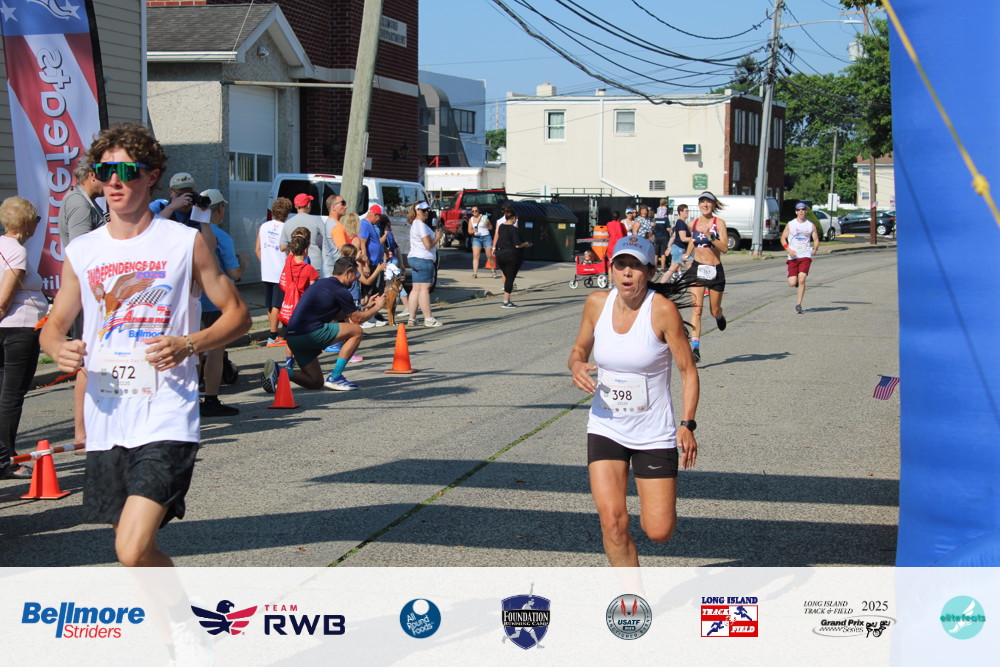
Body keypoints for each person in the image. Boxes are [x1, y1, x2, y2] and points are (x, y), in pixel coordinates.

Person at [39, 123, 251, 567]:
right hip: (108, 419)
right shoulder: (83, 251)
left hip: (166, 416)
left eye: (126, 171)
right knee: (135, 551)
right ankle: (178, 615)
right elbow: (54, 325)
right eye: (105, 171)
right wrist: (57, 347)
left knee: (131, 549)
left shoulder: (184, 242)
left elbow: (238, 315)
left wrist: (189, 343)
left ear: (151, 176)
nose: (114, 181)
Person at [568, 235, 699, 567]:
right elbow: (579, 350)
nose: (627, 273)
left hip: (653, 433)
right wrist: (577, 365)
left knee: (659, 531)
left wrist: (687, 424)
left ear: (650, 272)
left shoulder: (662, 311)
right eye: (621, 265)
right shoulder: (596, 303)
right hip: (606, 427)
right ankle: (632, 594)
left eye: (636, 266)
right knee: (612, 522)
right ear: (612, 269)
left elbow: (688, 371)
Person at [263, 256, 385, 393]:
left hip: (292, 337)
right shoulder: (340, 290)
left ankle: (278, 370)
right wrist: (377, 307)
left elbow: (337, 314)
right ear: (347, 272)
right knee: (356, 331)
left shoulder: (322, 284)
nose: (356, 278)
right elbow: (357, 319)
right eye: (355, 274)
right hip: (309, 333)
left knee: (315, 382)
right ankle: (336, 377)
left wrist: (364, 306)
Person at [58, 161, 108, 446]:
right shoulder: (79, 204)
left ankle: (92, 429)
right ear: (91, 175)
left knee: (94, 359)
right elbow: (81, 251)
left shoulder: (84, 201)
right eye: (105, 175)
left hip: (92, 293)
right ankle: (83, 433)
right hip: (88, 294)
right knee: (88, 360)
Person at [0, 197, 47, 479]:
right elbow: (4, 299)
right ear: (27, 222)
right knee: (11, 397)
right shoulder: (16, 251)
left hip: (9, 329)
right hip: (19, 329)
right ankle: (6, 460)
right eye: (37, 220)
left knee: (4, 395)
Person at [197, 189, 247, 418]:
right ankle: (211, 399)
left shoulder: (188, 231)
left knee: (193, 351)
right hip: (215, 301)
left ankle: (191, 398)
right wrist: (244, 263)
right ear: (220, 209)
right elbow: (234, 273)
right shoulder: (221, 237)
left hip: (191, 300)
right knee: (215, 352)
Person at [680, 191, 729, 362]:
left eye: (708, 202)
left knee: (713, 310)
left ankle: (719, 316)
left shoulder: (719, 223)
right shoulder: (693, 223)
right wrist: (687, 254)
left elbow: (725, 248)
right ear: (699, 204)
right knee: (697, 309)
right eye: (702, 202)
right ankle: (695, 348)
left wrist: (711, 237)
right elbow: (693, 240)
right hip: (697, 269)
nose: (705, 205)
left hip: (715, 269)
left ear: (714, 205)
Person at [257, 197, 292, 347]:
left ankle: (273, 334)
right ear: (287, 213)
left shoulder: (263, 226)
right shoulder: (286, 228)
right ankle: (273, 336)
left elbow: (258, 249)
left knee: (270, 305)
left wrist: (266, 262)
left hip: (267, 270)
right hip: (281, 270)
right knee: (278, 304)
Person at [406, 201, 443, 327]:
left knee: (416, 288)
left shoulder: (416, 224)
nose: (426, 212)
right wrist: (437, 237)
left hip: (414, 258)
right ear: (417, 211)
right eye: (423, 210)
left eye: (428, 210)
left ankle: (412, 318)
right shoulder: (420, 225)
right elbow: (428, 245)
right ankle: (428, 318)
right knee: (424, 289)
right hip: (423, 259)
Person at [781, 202, 820, 314]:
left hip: (805, 255)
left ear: (806, 211)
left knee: (802, 278)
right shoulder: (791, 224)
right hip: (793, 256)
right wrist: (789, 250)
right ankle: (796, 282)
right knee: (792, 283)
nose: (801, 211)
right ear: (796, 212)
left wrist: (815, 247)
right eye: (799, 210)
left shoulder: (810, 225)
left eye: (803, 209)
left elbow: (816, 239)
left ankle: (798, 305)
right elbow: (783, 238)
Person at [494, 209, 533, 309]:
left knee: (507, 277)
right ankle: (506, 301)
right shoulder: (514, 229)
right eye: (516, 218)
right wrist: (526, 244)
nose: (516, 219)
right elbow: (517, 245)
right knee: (510, 279)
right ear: (513, 218)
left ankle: (508, 299)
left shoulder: (501, 227)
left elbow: (499, 239)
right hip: (511, 256)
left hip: (500, 255)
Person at [279, 193, 325, 272]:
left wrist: (296, 246)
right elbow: (328, 240)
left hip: (295, 265)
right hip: (314, 265)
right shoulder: (317, 220)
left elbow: (282, 247)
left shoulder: (288, 223)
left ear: (295, 206)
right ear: (308, 205)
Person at [665, 204, 692, 282]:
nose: (688, 212)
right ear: (681, 212)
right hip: (679, 249)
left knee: (692, 267)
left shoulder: (680, 223)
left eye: (688, 211)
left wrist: (669, 247)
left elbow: (674, 236)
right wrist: (694, 239)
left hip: (680, 249)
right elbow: (683, 238)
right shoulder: (680, 223)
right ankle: (660, 285)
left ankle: (695, 284)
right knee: (671, 270)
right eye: (686, 211)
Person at [322, 194, 346, 278]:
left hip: (327, 270)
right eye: (343, 203)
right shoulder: (336, 226)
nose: (346, 207)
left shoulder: (328, 222)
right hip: (335, 272)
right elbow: (344, 251)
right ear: (333, 207)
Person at [467, 205, 494, 278]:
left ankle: (493, 271)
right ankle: (475, 273)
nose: (474, 212)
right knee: (476, 256)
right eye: (473, 211)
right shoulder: (471, 219)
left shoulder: (484, 217)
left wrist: (487, 224)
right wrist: (473, 231)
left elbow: (491, 228)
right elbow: (469, 231)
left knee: (489, 255)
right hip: (476, 238)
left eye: (476, 211)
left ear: (478, 211)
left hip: (486, 237)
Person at [652, 199, 671, 275]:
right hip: (664, 236)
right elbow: (668, 228)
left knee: (656, 254)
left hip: (657, 236)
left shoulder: (656, 218)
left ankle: (655, 269)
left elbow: (653, 226)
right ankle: (662, 268)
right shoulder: (666, 219)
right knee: (663, 254)